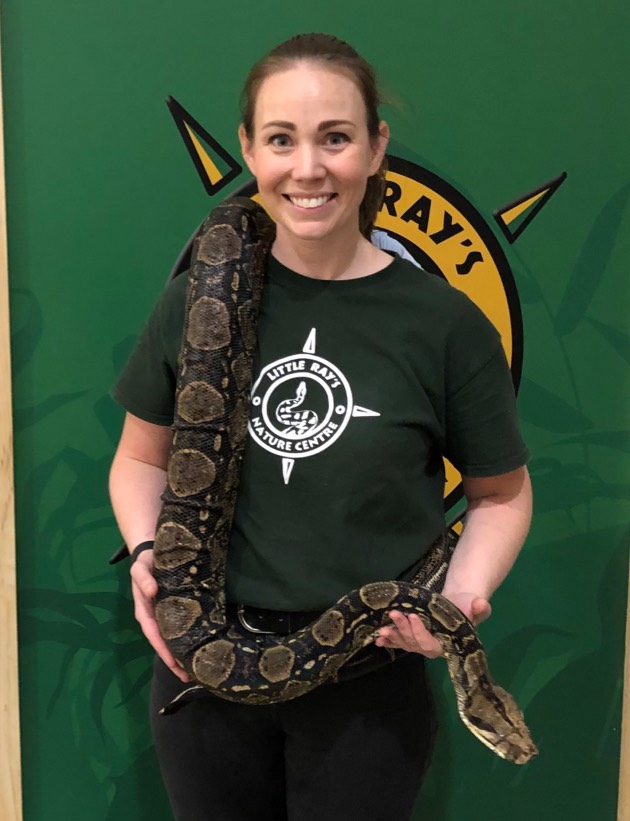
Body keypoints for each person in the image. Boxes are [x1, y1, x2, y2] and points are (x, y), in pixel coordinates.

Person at [109, 32, 532, 821]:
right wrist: (143, 549)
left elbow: (502, 494)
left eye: (335, 137)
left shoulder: (443, 323)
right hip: (204, 676)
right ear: (249, 150)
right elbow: (139, 460)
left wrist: (465, 593)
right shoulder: (194, 301)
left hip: (368, 690)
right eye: (281, 139)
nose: (308, 168)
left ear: (376, 147)